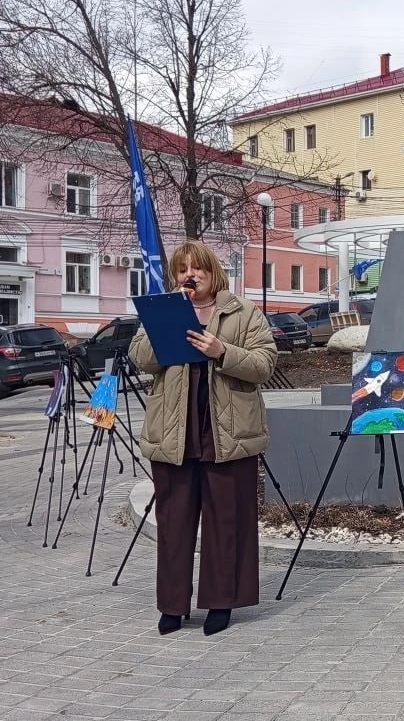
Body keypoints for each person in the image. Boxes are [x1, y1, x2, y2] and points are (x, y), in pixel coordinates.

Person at [129, 240, 277, 636]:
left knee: (226, 521)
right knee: (174, 523)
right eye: (182, 270)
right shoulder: (162, 311)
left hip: (228, 433)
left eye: (198, 269)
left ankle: (221, 601)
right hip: (175, 431)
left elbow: (265, 364)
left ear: (213, 273)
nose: (189, 276)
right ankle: (173, 605)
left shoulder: (243, 312)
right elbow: (140, 358)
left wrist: (222, 349)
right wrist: (167, 324)